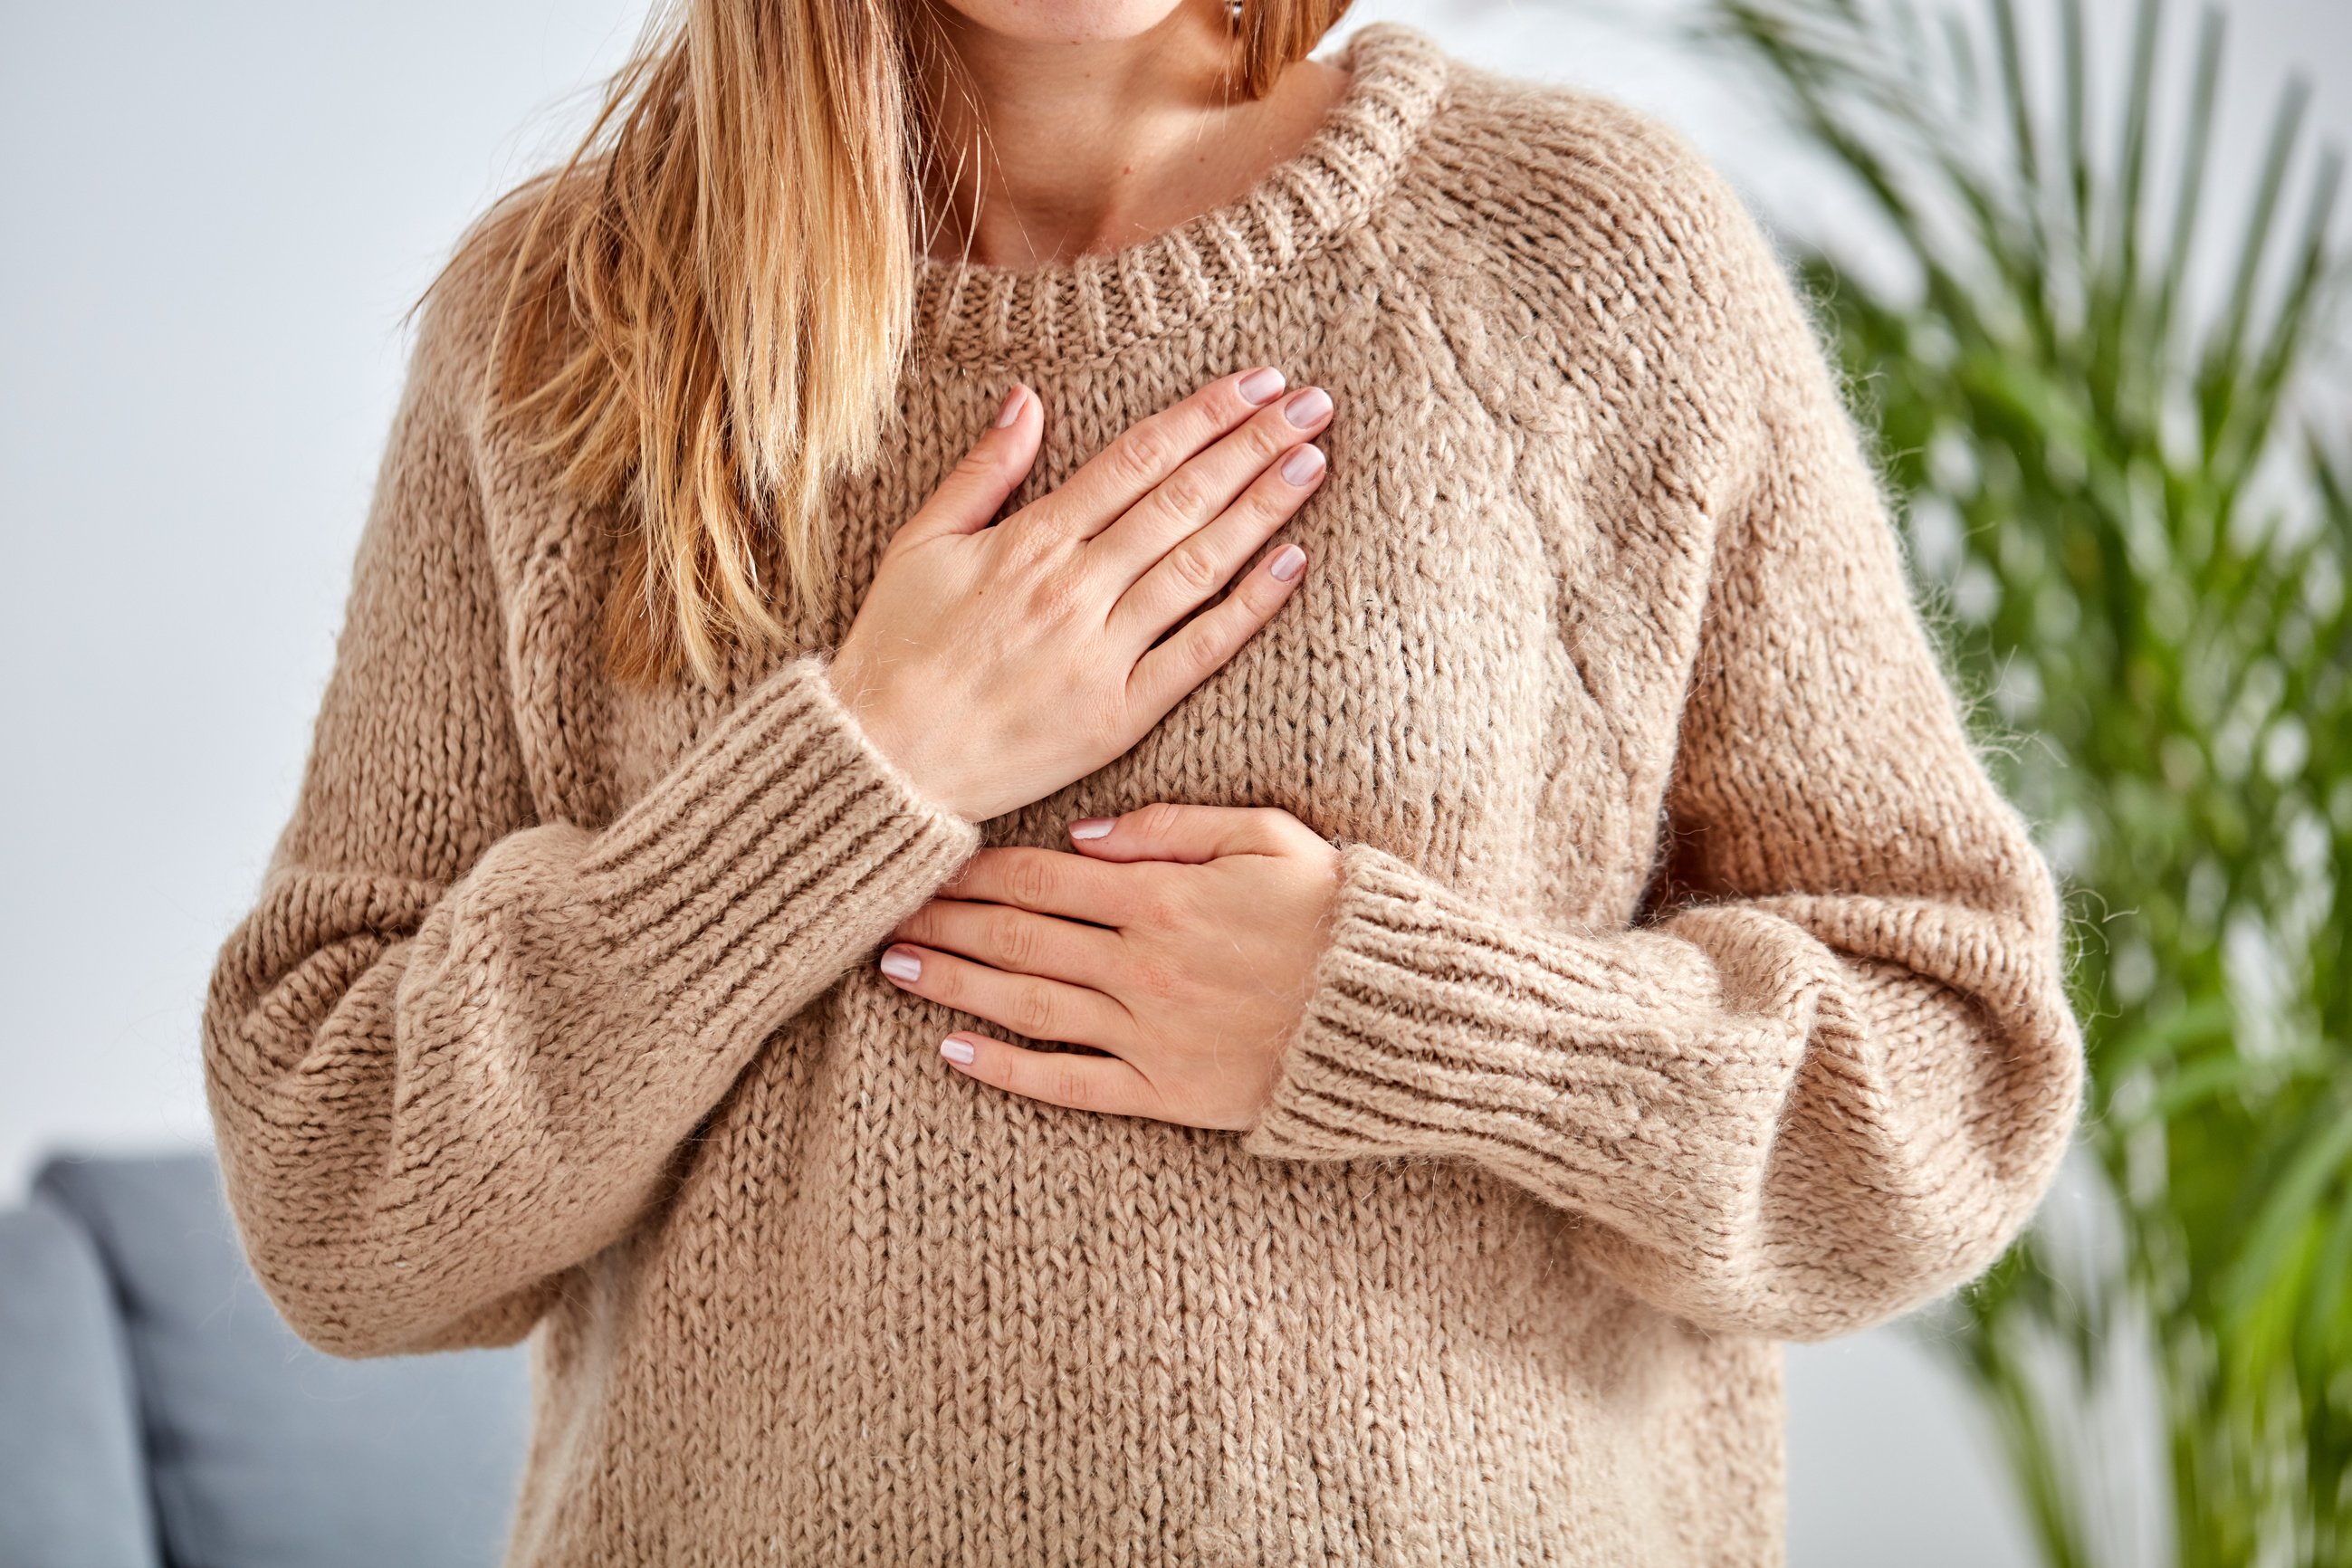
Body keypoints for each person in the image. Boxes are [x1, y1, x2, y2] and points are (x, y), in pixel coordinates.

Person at [200, 1, 2088, 1563]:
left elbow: (1952, 1077)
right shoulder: (570, 321)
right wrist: (854, 772)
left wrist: (1411, 1018)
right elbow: (337, 1197)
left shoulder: (1585, 262)